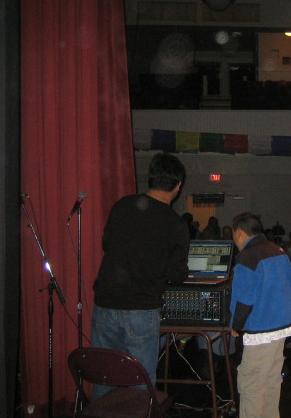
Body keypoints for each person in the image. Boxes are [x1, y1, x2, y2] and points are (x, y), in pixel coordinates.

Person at [91, 152, 189, 399]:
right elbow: (177, 273)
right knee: (141, 383)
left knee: (104, 377)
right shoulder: (175, 224)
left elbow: (107, 244)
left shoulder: (122, 205)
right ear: (178, 186)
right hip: (141, 309)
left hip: (105, 304)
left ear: (150, 178)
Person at [229, 212, 291, 418]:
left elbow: (244, 299)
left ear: (238, 233)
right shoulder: (277, 250)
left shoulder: (248, 256)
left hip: (261, 330)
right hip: (281, 327)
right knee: (271, 383)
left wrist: (235, 325)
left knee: (251, 386)